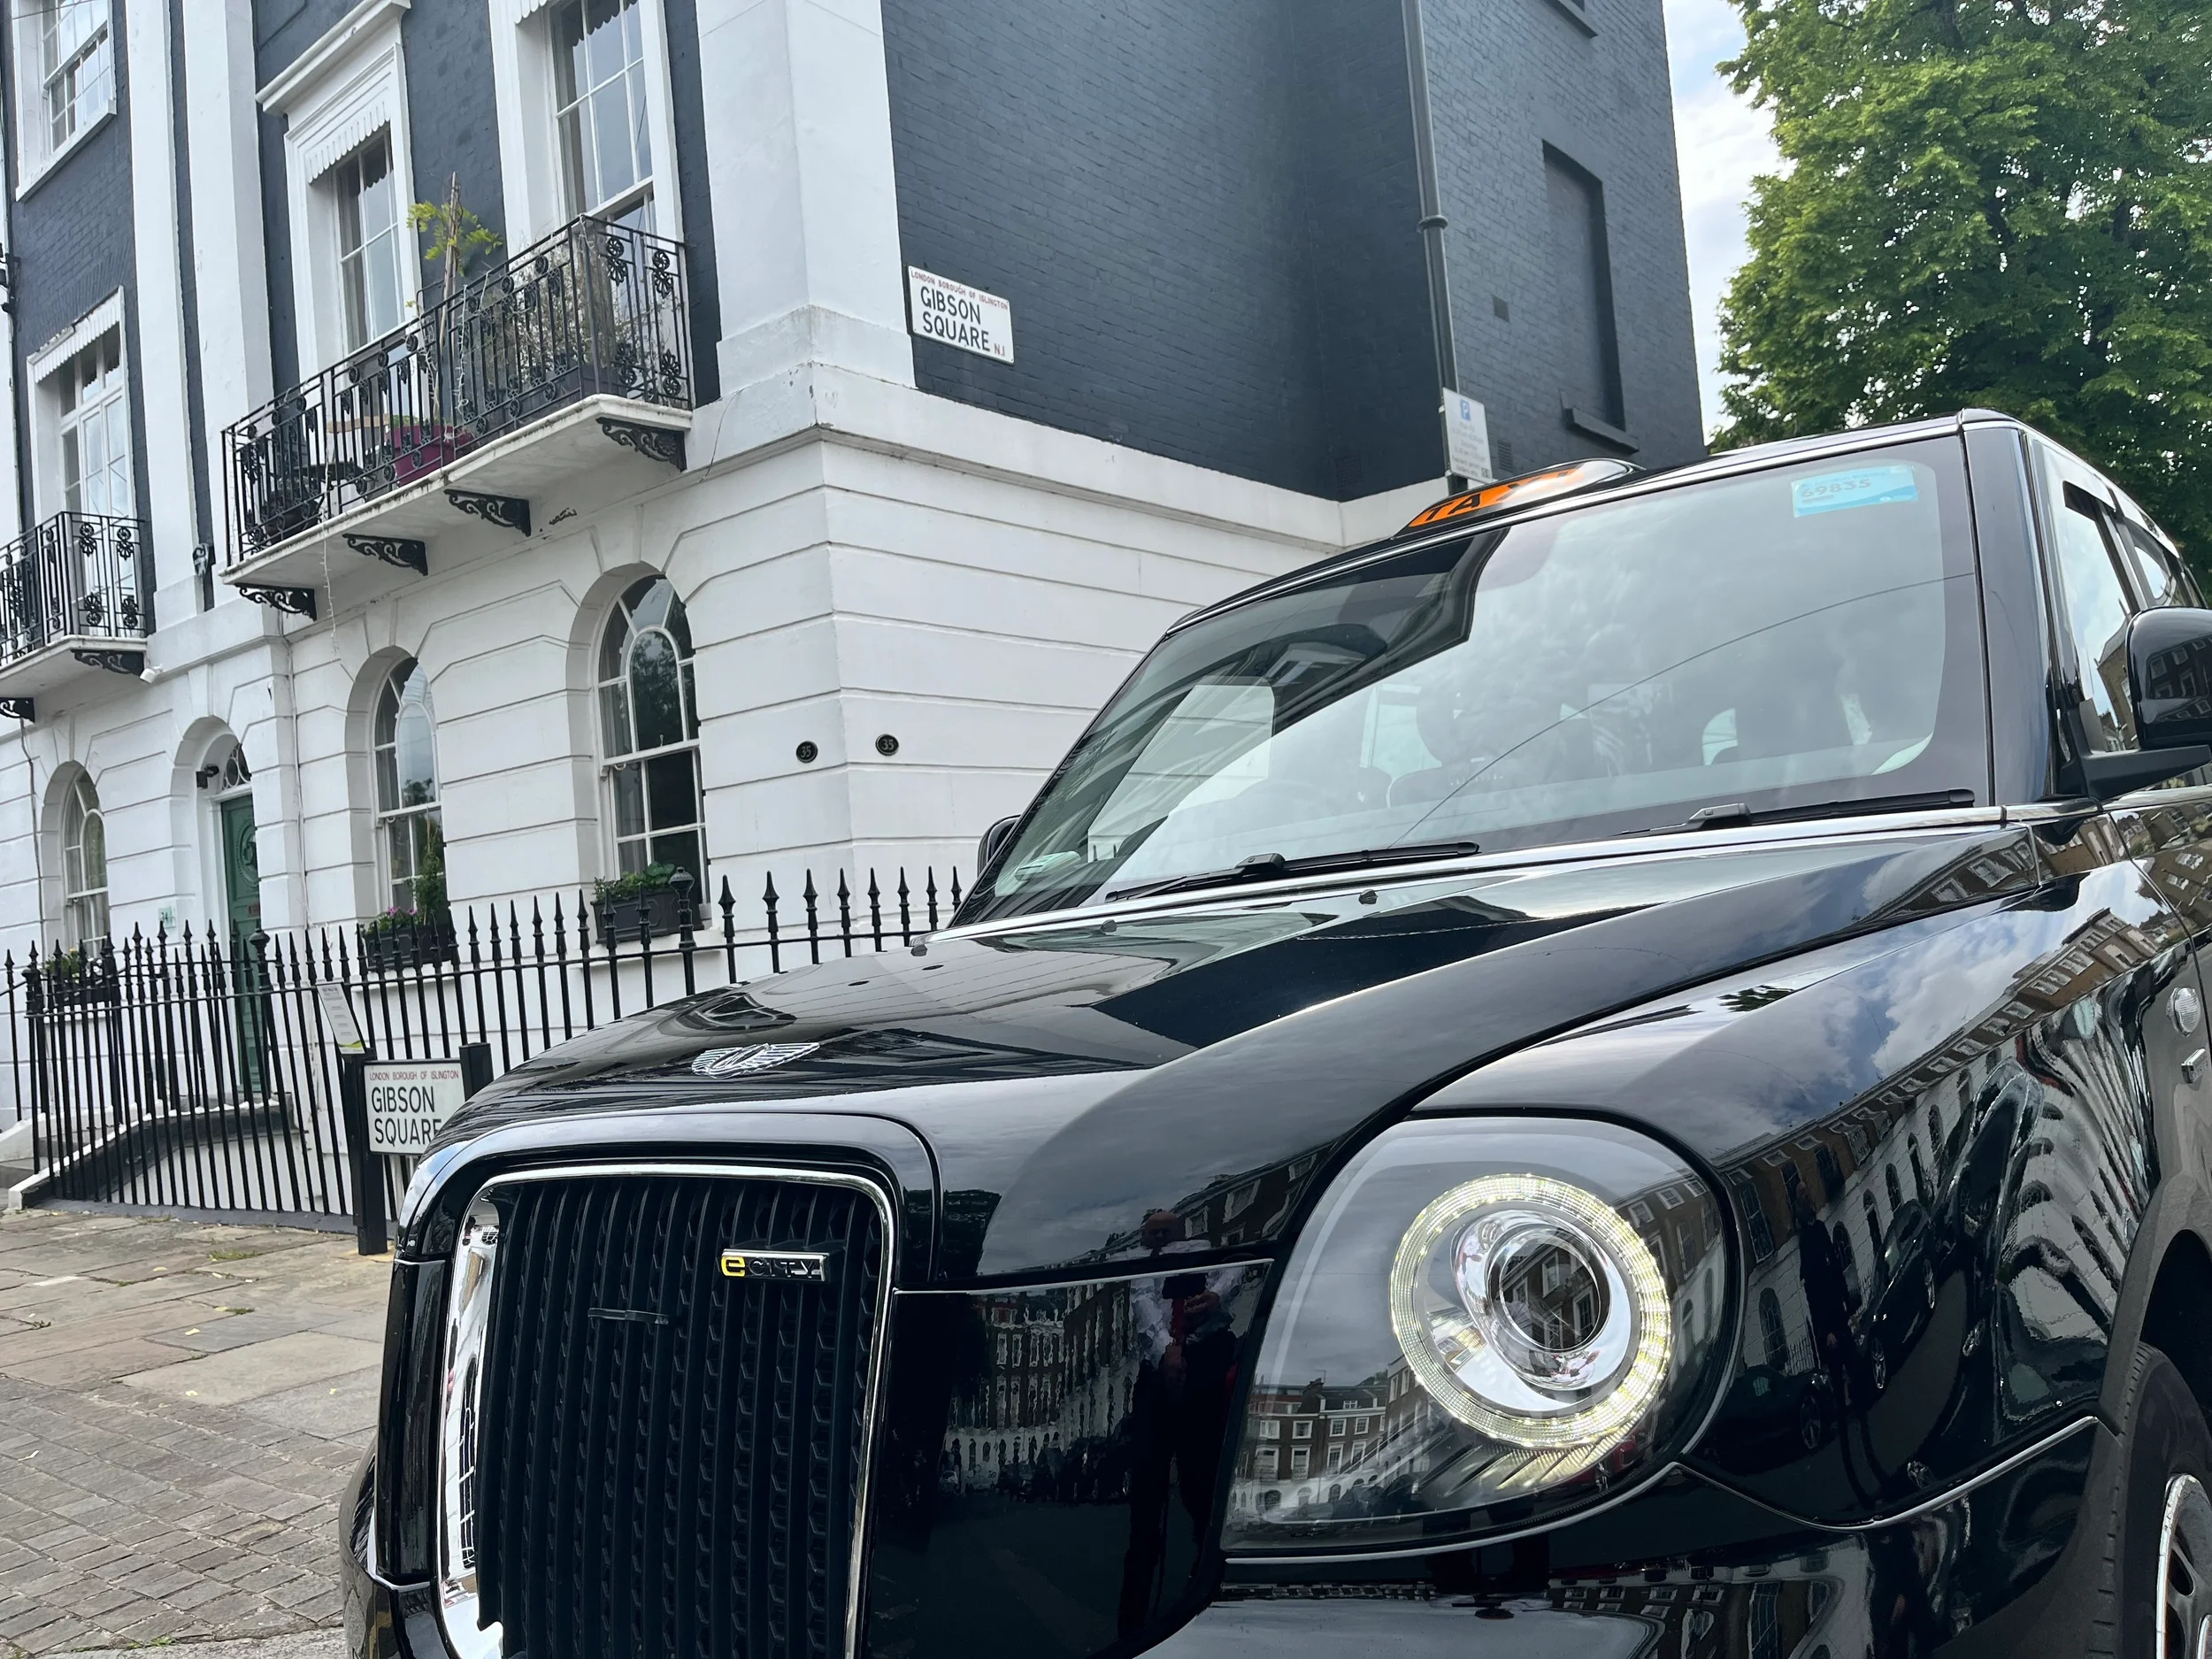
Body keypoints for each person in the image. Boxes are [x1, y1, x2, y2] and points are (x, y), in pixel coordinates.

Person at [1118, 1210, 1243, 1635]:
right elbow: (1142, 1305)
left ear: (1181, 1230)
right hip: (1159, 1371)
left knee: (1200, 1473)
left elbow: (1237, 1265)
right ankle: (1133, 1610)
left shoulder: (1203, 1253)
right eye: (1151, 1232)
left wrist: (1218, 1296)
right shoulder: (1141, 1264)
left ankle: (1206, 1571)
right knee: (1147, 1480)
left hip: (1207, 1358)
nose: (1157, 1239)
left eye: (1164, 1232)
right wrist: (1165, 1348)